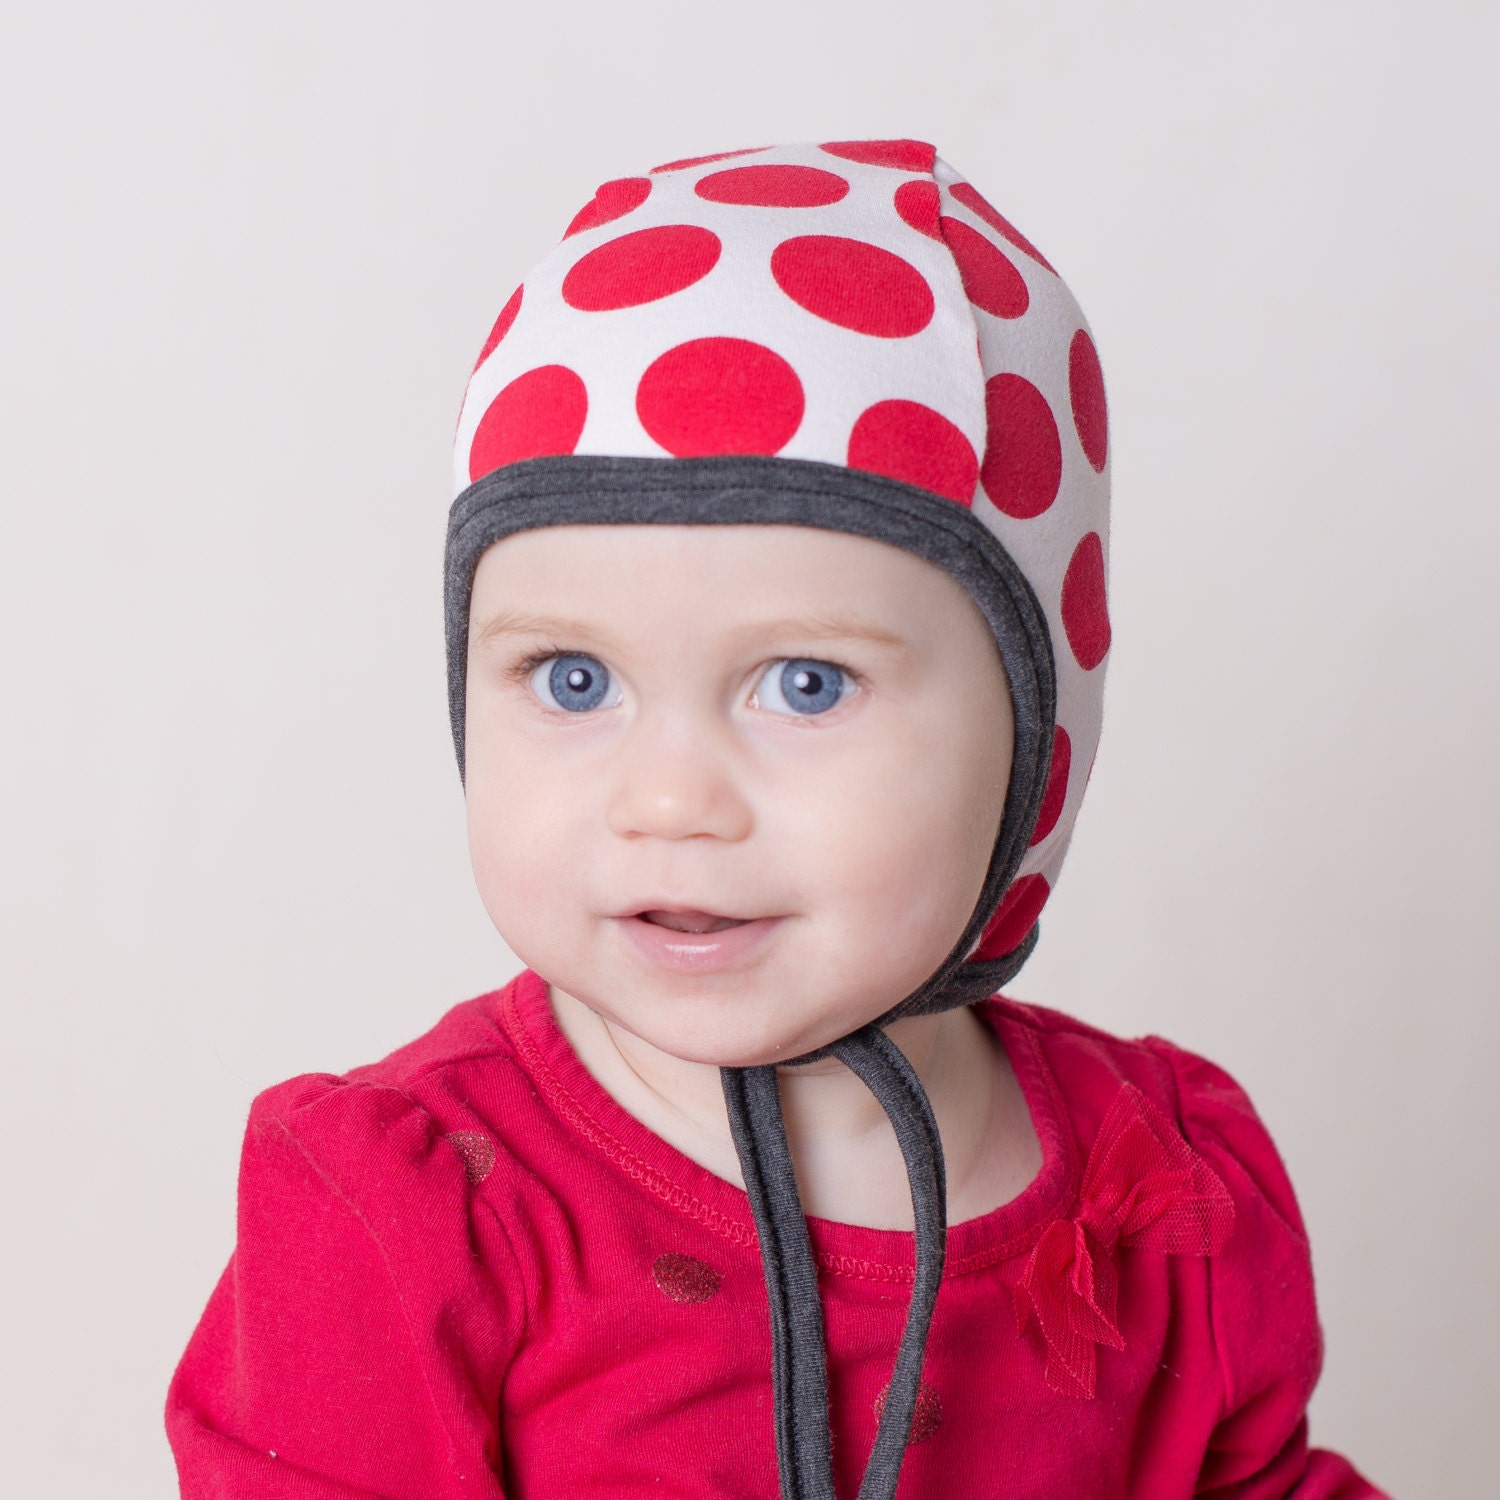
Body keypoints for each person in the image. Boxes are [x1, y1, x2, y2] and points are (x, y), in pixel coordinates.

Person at [166, 139, 1388, 1498]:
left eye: (806, 684)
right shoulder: (411, 1212)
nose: (670, 800)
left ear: (1035, 751)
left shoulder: (1167, 1194)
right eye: (572, 680)